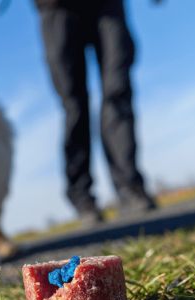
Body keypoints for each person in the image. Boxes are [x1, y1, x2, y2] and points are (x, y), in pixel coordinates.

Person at [32, 0, 159, 226]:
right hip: (56, 8)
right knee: (73, 105)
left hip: (107, 5)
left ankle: (130, 187)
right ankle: (83, 198)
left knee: (117, 89)